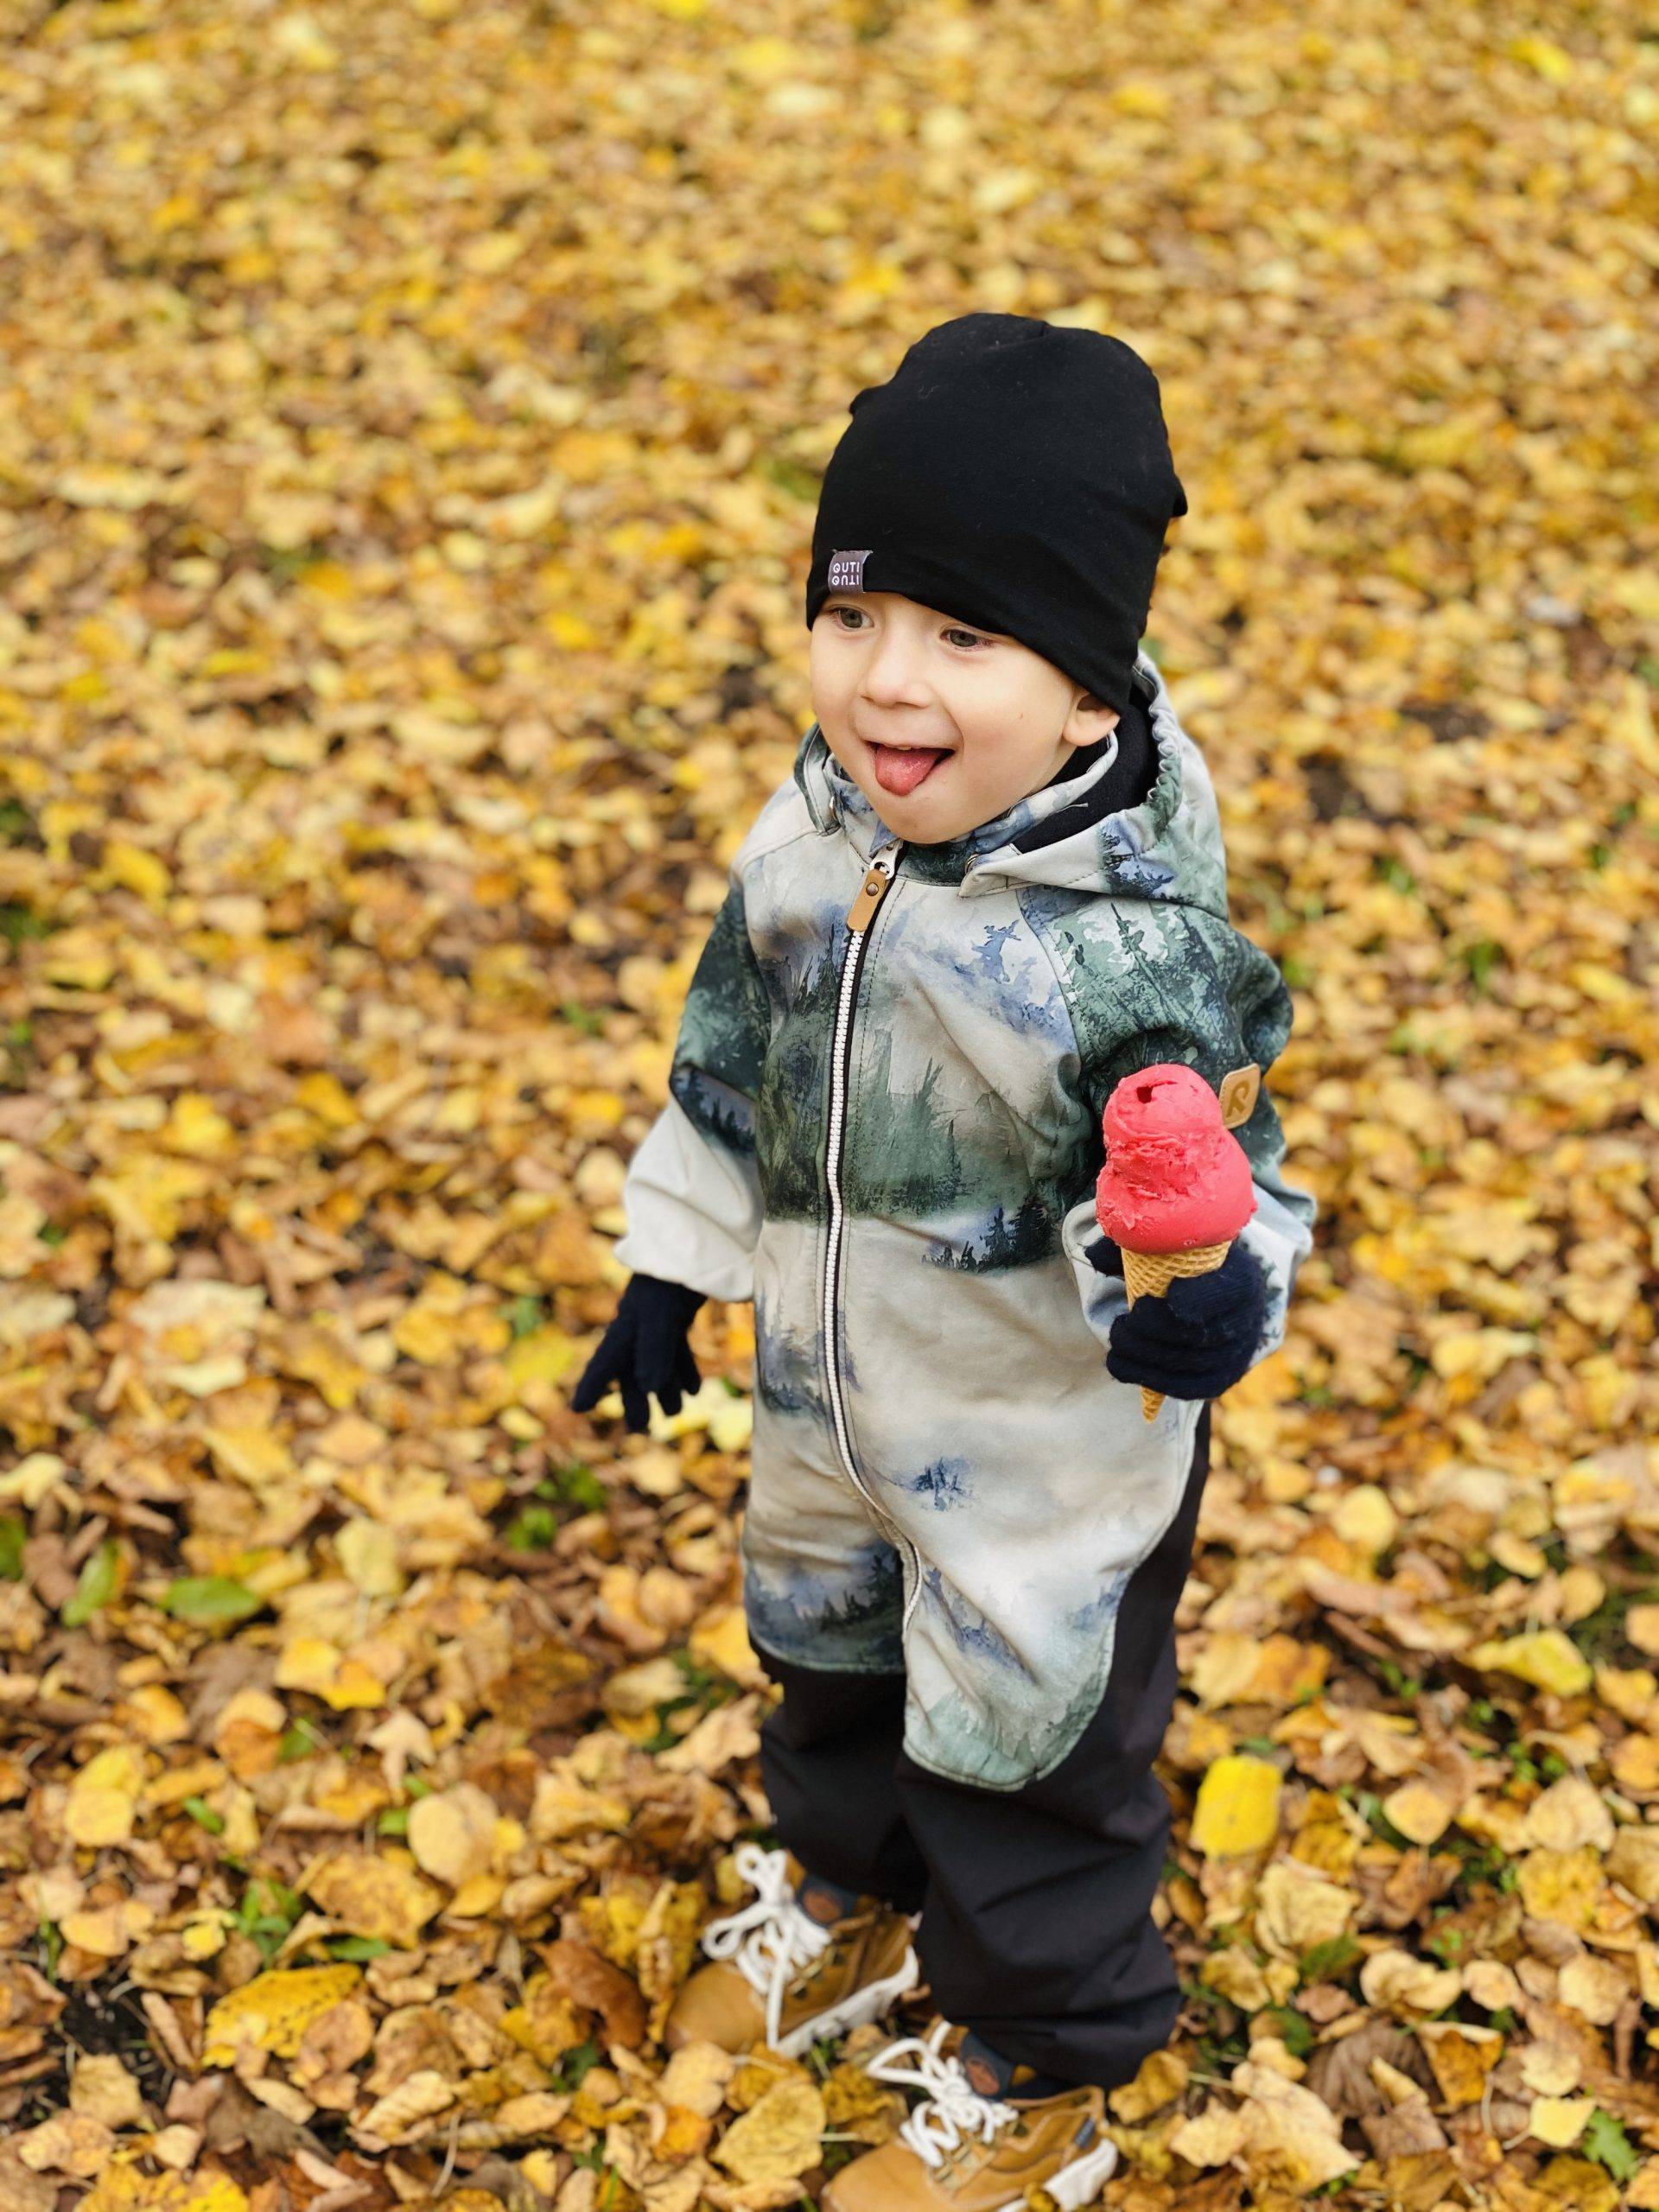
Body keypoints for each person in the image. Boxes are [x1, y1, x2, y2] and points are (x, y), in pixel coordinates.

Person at [571, 312, 1318, 2211]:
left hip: (1036, 1447)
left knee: (1032, 1745)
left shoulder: (1125, 951)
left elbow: (1220, 1177)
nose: (886, 679)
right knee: (824, 1660)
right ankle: (842, 1887)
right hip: (830, 1401)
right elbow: (733, 1046)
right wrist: (674, 1256)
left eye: (964, 636)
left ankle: (1040, 2058)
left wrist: (1207, 1286)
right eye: (854, 614)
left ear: (1082, 690)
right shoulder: (821, 831)